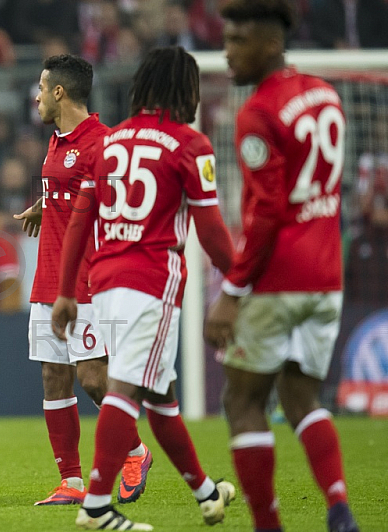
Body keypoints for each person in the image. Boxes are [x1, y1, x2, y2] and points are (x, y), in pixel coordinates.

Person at [52, 46, 237, 530]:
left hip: (106, 281)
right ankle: (95, 505)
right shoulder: (189, 145)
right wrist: (241, 283)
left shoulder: (111, 143)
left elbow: (80, 220)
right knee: (126, 389)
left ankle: (205, 493)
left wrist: (68, 290)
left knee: (161, 396)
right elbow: (212, 232)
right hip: (153, 281)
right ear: (184, 89)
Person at [205, 2, 359, 531]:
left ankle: (267, 525)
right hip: (327, 275)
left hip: (278, 278)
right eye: (226, 39)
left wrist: (231, 290)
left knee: (242, 398)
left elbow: (267, 212)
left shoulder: (259, 112)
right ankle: (338, 507)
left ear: (271, 44)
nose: (228, 51)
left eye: (238, 40)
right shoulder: (326, 95)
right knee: (301, 396)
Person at [14, 54, 152, 508]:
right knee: (54, 378)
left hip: (90, 281)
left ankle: (135, 452)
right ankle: (71, 481)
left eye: (40, 87)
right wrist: (45, 205)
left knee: (93, 378)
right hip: (48, 278)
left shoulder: (105, 144)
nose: (34, 96)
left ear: (59, 92)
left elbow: (120, 208)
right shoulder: (57, 141)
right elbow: (71, 192)